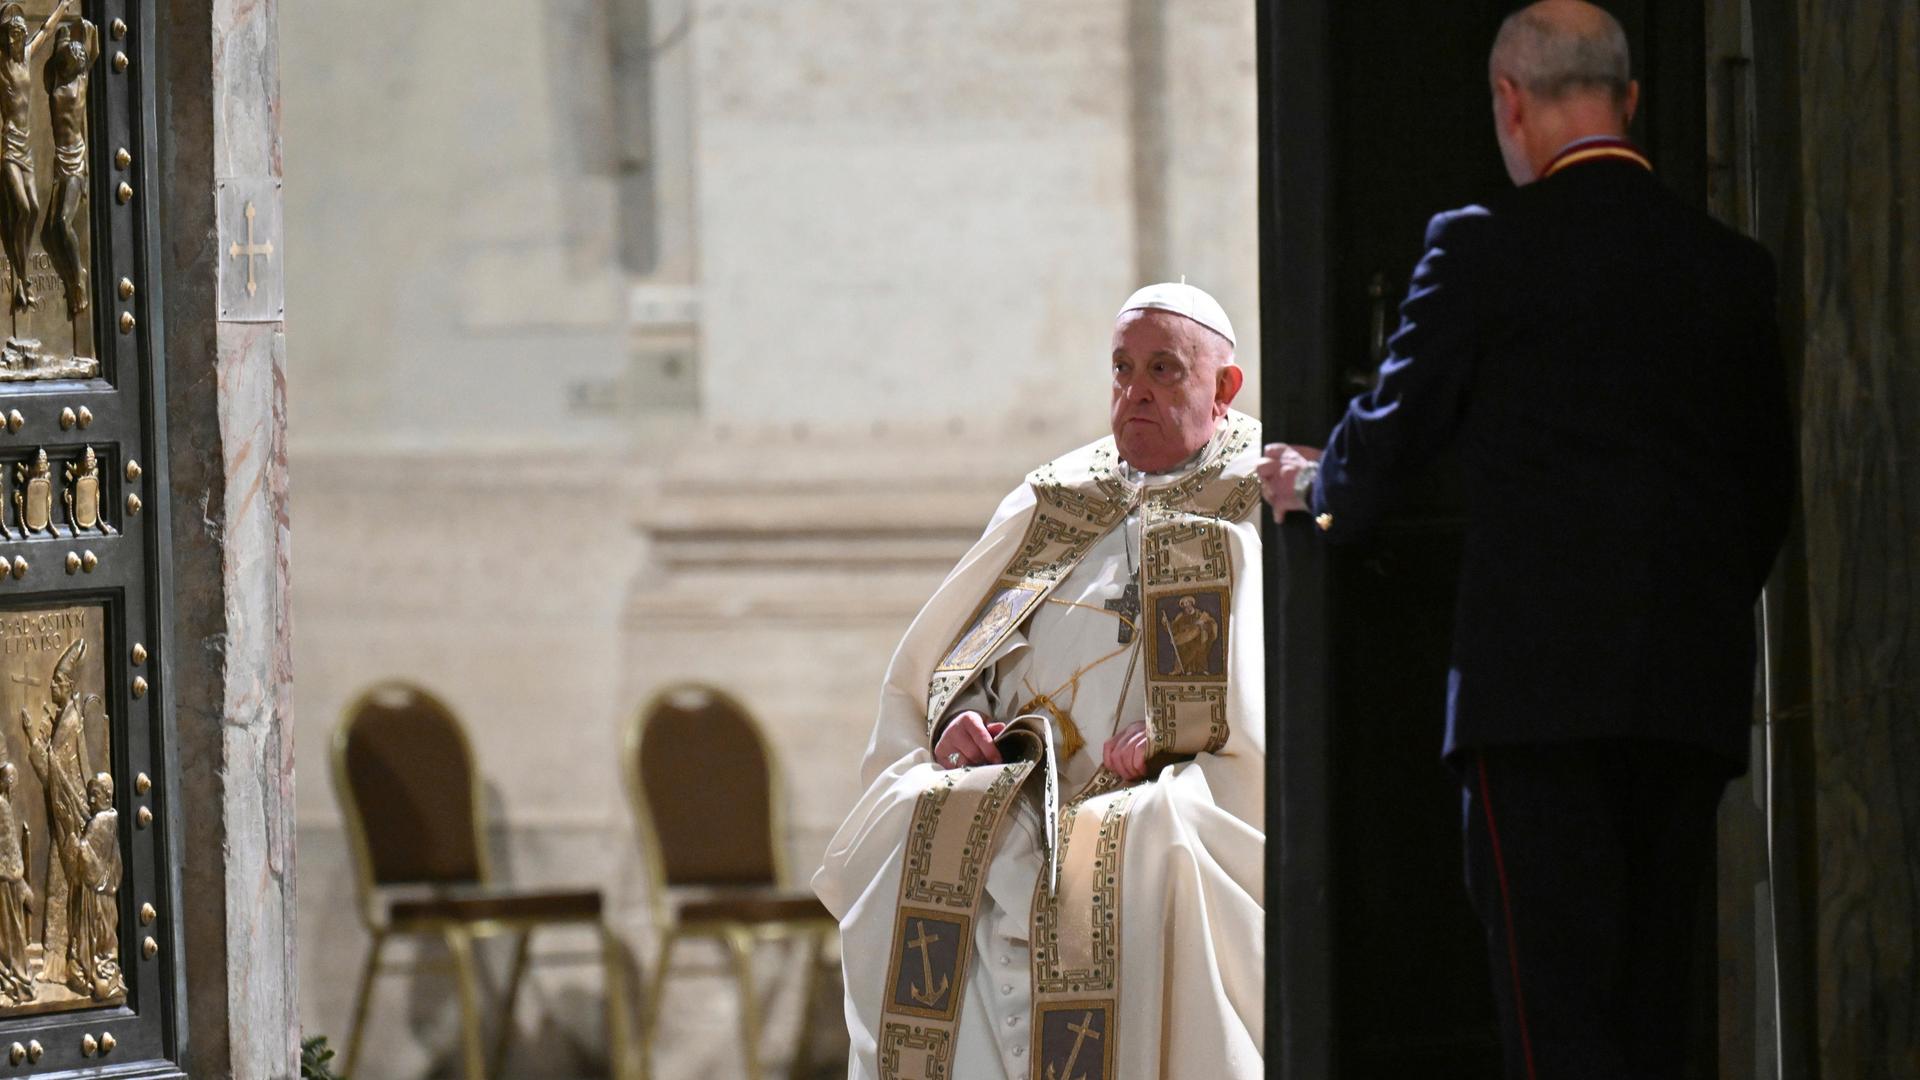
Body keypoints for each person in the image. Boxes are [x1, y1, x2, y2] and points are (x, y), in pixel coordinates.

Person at [1259, 3, 1794, 1077]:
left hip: (1534, 701)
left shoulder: (1484, 248)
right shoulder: (1730, 267)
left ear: (1509, 102)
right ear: (1630, 101)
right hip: (1684, 696)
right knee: (1654, 1013)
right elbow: (1766, 493)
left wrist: (1323, 486)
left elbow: (1398, 430)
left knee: (1554, 1020)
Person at [816, 282, 1265, 1079]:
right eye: (1123, 370)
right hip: (1022, 786)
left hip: (1172, 786)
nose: (1136, 393)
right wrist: (962, 714)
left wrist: (1178, 738)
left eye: (1165, 371)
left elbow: (1263, 693)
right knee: (918, 818)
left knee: (1158, 846)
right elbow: (962, 652)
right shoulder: (1061, 497)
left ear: (1224, 388)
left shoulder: (1253, 501)